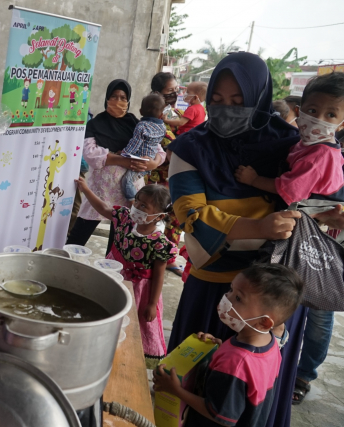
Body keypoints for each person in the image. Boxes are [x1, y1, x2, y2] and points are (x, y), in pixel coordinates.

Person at [167, 52, 304, 427]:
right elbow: (192, 215)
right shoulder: (191, 147)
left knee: (255, 399)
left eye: (238, 102)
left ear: (260, 99)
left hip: (271, 302)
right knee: (201, 392)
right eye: (217, 101)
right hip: (218, 293)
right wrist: (260, 227)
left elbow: (314, 198)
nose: (225, 111)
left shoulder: (292, 146)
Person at [154, 264, 304, 427]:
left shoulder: (236, 362)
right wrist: (217, 349)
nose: (227, 298)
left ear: (264, 321)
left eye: (238, 298)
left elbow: (219, 414)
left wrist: (176, 390)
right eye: (231, 289)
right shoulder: (269, 343)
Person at [76, 179, 176, 367]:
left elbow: (159, 276)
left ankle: (126, 358)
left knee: (131, 323)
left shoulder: (159, 243)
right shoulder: (124, 218)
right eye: (137, 201)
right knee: (106, 311)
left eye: (144, 206)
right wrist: (86, 189)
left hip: (139, 290)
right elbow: (104, 208)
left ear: (159, 216)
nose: (136, 207)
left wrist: (152, 303)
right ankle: (101, 347)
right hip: (112, 276)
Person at [66, 79, 165, 249]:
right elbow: (90, 153)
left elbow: (159, 151)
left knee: (118, 241)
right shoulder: (96, 123)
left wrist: (153, 164)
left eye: (123, 97)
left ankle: (111, 271)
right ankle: (62, 263)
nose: (118, 101)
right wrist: (123, 160)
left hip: (130, 192)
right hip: (100, 189)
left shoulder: (137, 124)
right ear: (106, 98)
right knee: (79, 234)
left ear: (129, 101)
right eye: (114, 96)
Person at [235, 72, 344, 205]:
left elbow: (290, 189)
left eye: (331, 114)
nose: (318, 119)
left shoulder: (319, 155)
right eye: (312, 111)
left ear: (341, 125)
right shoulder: (311, 144)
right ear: (299, 112)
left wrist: (254, 180)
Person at [144, 72, 185, 276]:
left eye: (176, 90)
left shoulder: (174, 114)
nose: (174, 94)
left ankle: (167, 257)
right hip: (157, 177)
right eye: (170, 91)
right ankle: (146, 253)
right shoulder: (153, 117)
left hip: (174, 174)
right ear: (157, 93)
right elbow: (170, 144)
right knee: (152, 216)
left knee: (175, 219)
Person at [121, 94, 166, 199]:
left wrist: (123, 153)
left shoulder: (141, 126)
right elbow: (157, 144)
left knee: (127, 181)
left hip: (139, 161)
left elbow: (134, 144)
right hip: (151, 159)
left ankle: (134, 201)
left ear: (141, 111)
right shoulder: (162, 127)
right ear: (161, 115)